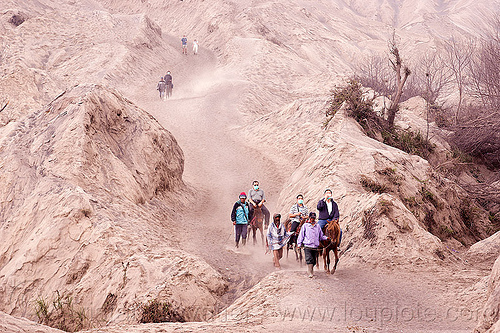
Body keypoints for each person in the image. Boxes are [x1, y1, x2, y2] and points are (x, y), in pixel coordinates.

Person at [297, 212, 328, 278]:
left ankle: (311, 269)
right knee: (309, 259)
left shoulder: (317, 226)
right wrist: (299, 244)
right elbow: (301, 235)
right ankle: (310, 272)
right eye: (311, 218)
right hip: (307, 246)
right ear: (309, 218)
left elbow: (321, 236)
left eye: (313, 218)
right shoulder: (305, 225)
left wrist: (327, 238)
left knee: (314, 261)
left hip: (315, 246)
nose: (312, 219)